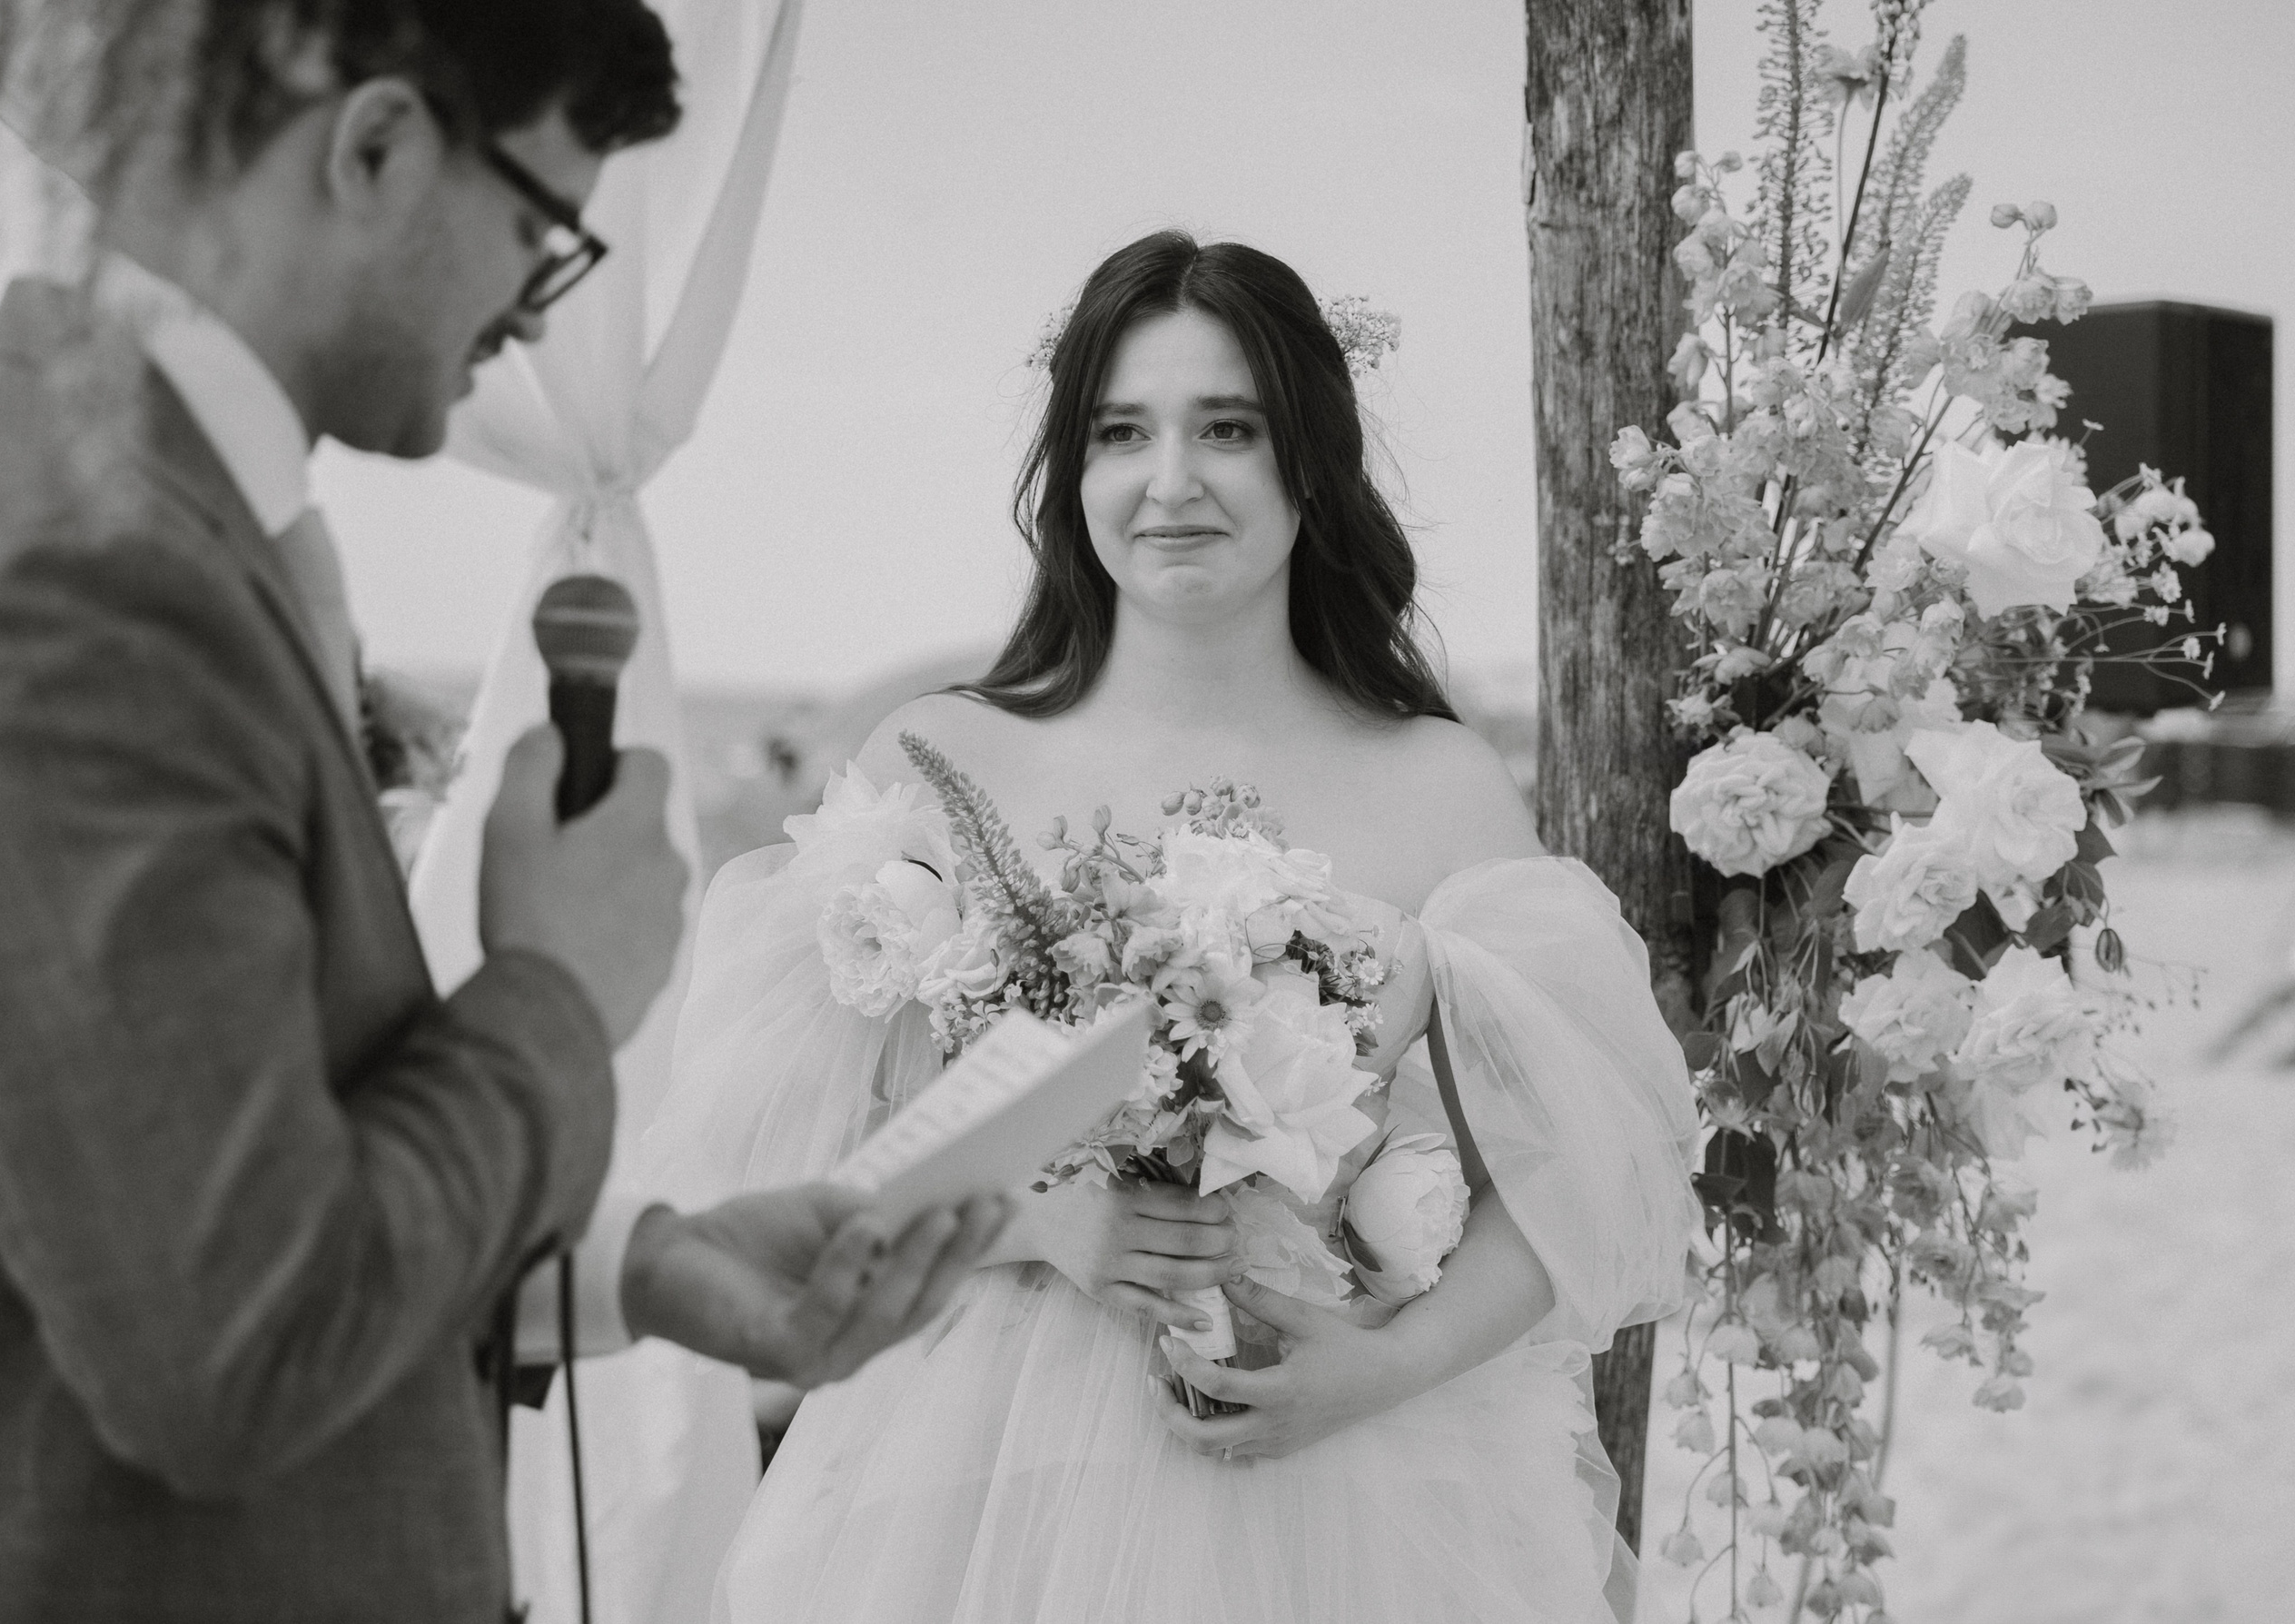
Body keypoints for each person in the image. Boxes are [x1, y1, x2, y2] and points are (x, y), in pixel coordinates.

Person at [0, 6, 1007, 1621]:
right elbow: (232, 1345)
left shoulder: (163, 516)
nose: (535, 310)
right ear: (377, 145)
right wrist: (554, 986)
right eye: (543, 230)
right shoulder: (83, 580)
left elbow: (216, 1179)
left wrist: (636, 1267)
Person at [600, 230, 1701, 1622]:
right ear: (1074, 474)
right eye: (1122, 433)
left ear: (1310, 464)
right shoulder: (935, 766)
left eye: (1227, 428)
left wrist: (1385, 1368)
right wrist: (1036, 1218)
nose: (1170, 481)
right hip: (979, 1481)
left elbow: (1579, 1171)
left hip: (1349, 1494)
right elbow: (786, 1169)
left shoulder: (1436, 785)